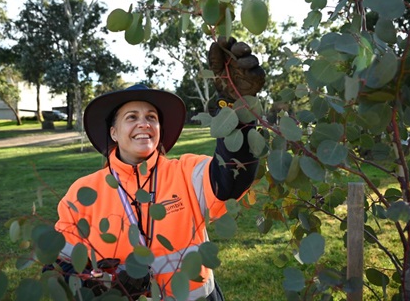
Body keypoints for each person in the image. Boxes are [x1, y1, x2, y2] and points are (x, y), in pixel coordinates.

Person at [51, 37, 266, 301]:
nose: (144, 124)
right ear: (114, 133)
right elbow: (59, 262)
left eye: (151, 118)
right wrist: (96, 287)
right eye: (132, 117)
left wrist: (237, 107)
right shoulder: (83, 192)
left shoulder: (185, 173)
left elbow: (231, 178)